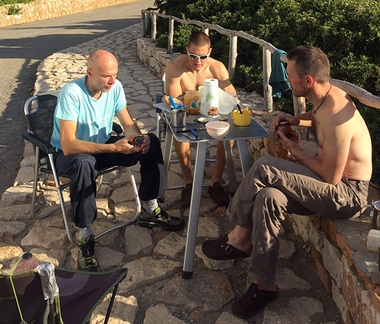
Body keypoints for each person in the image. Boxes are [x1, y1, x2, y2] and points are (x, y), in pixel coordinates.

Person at [201, 45, 372, 319]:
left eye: (290, 75)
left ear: (308, 81)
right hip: (325, 184)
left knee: (265, 167)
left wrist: (297, 152)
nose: (287, 79)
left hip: (345, 195)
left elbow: (331, 177)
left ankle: (238, 236)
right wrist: (294, 120)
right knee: (269, 196)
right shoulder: (324, 99)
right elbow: (317, 120)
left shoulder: (339, 116)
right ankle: (263, 284)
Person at [51, 49, 185, 272]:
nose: (112, 80)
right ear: (90, 72)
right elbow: (68, 144)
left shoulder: (116, 87)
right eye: (106, 75)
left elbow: (128, 123)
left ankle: (150, 210)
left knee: (151, 141)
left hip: (103, 147)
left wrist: (138, 139)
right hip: (71, 156)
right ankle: (85, 235)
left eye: (115, 74)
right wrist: (113, 147)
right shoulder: (71, 93)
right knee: (85, 163)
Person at [165, 30, 238, 207]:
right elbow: (175, 101)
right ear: (187, 50)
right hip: (187, 117)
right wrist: (204, 96)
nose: (198, 61)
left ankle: (215, 181)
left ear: (210, 52)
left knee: (229, 135)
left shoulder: (217, 67)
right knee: (180, 131)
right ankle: (188, 182)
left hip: (212, 115)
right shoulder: (175, 68)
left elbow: (232, 96)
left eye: (203, 56)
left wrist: (197, 97)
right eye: (193, 56)